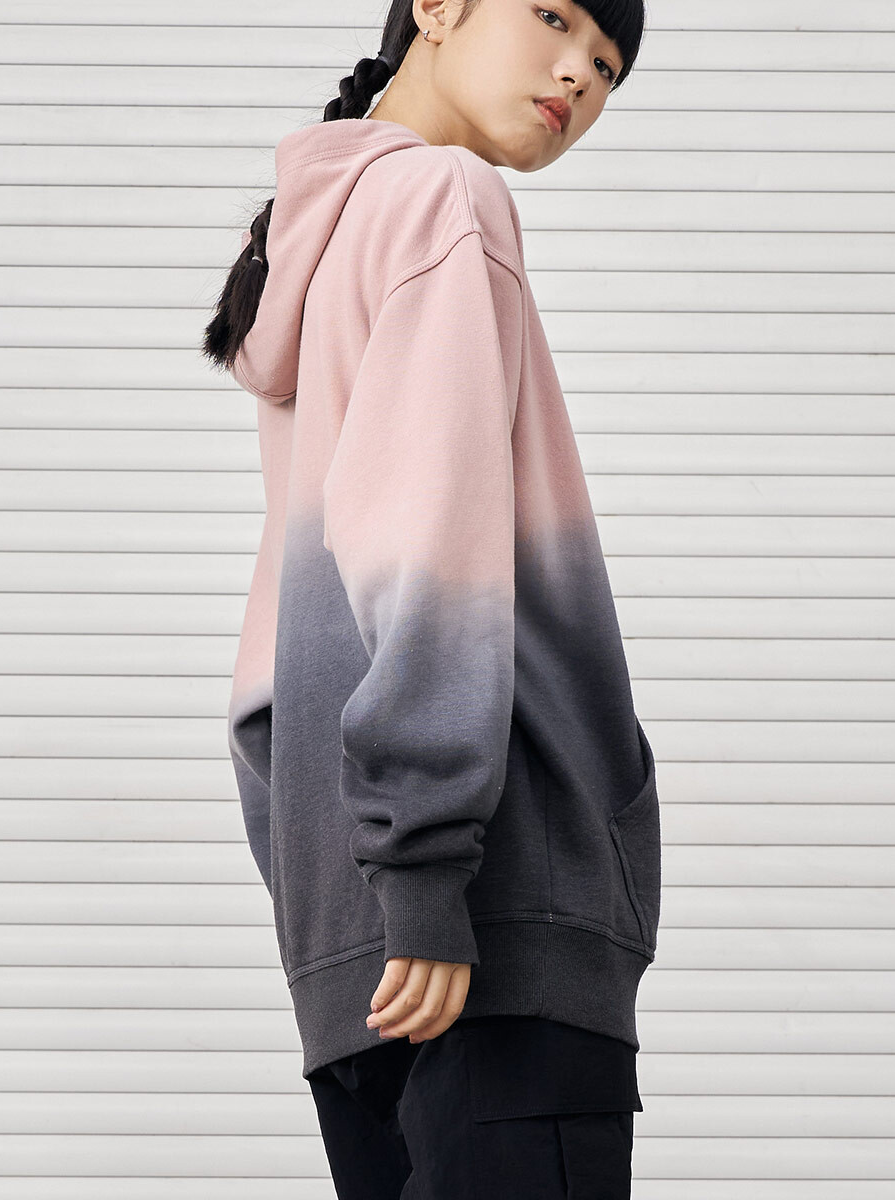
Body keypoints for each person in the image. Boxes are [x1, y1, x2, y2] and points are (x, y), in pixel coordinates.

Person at [203, 1, 656, 1194]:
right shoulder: (444, 200)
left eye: (608, 67)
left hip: (351, 915)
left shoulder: (319, 236)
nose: (579, 73)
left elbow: (293, 631)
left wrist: (373, 876)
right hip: (485, 910)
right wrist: (427, 868)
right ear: (439, 6)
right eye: (554, 16)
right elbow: (427, 551)